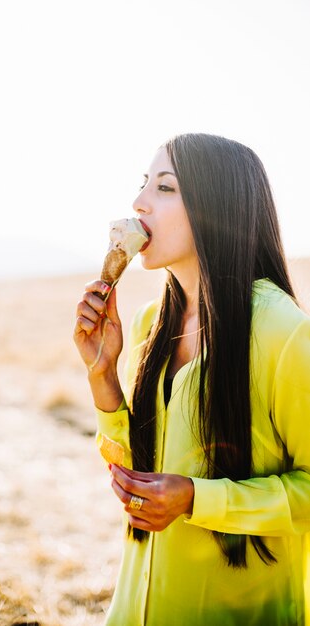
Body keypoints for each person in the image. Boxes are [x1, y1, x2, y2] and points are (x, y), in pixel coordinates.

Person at [73, 133, 310, 626]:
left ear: (216, 206)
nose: (138, 203)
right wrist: (104, 378)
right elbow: (137, 468)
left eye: (165, 188)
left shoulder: (282, 332)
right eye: (143, 185)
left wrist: (198, 498)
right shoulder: (147, 324)